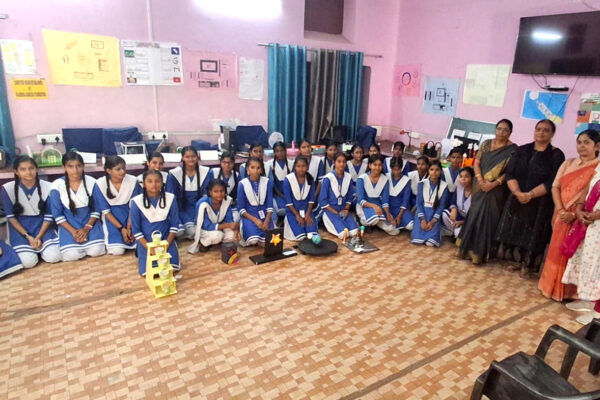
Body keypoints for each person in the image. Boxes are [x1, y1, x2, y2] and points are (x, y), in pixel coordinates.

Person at [495, 119, 565, 276]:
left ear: (552, 134)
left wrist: (530, 194)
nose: (541, 132)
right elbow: (510, 173)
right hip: (517, 197)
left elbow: (553, 181)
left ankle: (528, 265)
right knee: (516, 228)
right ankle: (515, 261)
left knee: (535, 233)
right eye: (538, 129)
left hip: (540, 201)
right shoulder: (522, 150)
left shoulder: (556, 155)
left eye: (546, 130)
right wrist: (518, 193)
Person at [538, 130, 600, 301]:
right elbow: (555, 186)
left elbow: (589, 194)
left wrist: (574, 214)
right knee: (555, 250)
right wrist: (561, 210)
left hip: (580, 218)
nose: (581, 146)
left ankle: (567, 292)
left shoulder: (597, 169)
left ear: (597, 146)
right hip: (560, 214)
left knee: (572, 252)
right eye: (579, 142)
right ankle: (549, 287)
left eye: (586, 142)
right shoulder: (568, 163)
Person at [457, 119, 518, 265]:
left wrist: (493, 184)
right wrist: (480, 179)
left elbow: (509, 172)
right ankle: (465, 249)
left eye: (505, 130)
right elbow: (477, 162)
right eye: (499, 129)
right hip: (479, 185)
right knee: (474, 215)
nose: (501, 132)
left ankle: (480, 254)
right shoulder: (486, 144)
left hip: (496, 189)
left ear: (510, 132)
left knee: (488, 219)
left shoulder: (513, 150)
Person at [1, 155, 60, 268]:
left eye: (31, 168)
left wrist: (38, 237)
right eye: (23, 169)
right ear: (16, 172)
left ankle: (40, 249)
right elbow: (11, 217)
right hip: (20, 230)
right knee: (28, 263)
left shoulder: (48, 186)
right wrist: (29, 237)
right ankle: (33, 250)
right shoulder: (7, 189)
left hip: (42, 227)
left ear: (36, 169)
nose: (28, 172)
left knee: (54, 257)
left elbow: (49, 216)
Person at [561, 162, 600, 324]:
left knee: (597, 267)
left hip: (597, 223)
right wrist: (579, 209)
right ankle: (589, 301)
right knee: (587, 262)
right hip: (589, 222)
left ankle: (597, 314)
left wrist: (595, 215)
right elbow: (588, 188)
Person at [49, 152, 105, 261]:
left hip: (89, 223)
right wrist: (74, 232)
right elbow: (57, 214)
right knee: (71, 255)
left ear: (83, 166)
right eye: (70, 166)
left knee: (96, 251)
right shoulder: (57, 185)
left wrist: (86, 229)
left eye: (78, 166)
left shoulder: (92, 182)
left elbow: (97, 209)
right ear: (64, 168)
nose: (75, 170)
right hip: (69, 225)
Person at [131, 170, 181, 275]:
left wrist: (166, 245)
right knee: (150, 273)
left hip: (166, 240)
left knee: (171, 270)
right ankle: (140, 251)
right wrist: (150, 248)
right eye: (150, 181)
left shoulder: (170, 198)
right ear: (144, 184)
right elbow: (136, 230)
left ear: (162, 183)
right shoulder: (136, 201)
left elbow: (174, 224)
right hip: (147, 242)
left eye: (157, 181)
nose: (154, 184)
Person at [93, 156, 141, 255]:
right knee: (117, 251)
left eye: (124, 168)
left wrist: (129, 227)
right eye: (118, 169)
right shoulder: (100, 184)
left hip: (131, 218)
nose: (122, 171)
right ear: (109, 171)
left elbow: (134, 207)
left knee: (140, 245)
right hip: (112, 221)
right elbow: (106, 212)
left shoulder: (133, 181)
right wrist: (121, 229)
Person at [166, 146, 210, 239]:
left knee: (200, 229)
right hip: (181, 209)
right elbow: (171, 197)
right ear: (182, 158)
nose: (191, 159)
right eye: (187, 157)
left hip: (199, 207)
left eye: (193, 156)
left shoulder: (205, 171)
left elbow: (207, 195)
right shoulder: (174, 173)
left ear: (197, 157)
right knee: (190, 232)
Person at [188, 179, 239, 253]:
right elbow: (206, 225)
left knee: (232, 235)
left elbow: (229, 219)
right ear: (210, 192)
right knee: (218, 236)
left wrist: (235, 229)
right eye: (216, 191)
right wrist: (227, 225)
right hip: (204, 229)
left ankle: (218, 241)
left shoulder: (227, 200)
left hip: (220, 226)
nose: (219, 194)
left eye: (222, 191)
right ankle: (204, 243)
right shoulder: (202, 203)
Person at [319, 152, 359, 239]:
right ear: (334, 162)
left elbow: (350, 197)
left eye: (344, 162)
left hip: (343, 210)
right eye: (339, 161)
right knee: (344, 234)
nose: (342, 164)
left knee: (355, 232)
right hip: (330, 210)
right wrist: (336, 213)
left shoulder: (348, 177)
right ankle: (326, 222)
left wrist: (346, 209)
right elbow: (322, 201)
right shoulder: (328, 178)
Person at [237, 157, 274, 246]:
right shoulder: (242, 184)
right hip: (250, 216)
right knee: (253, 240)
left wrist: (267, 220)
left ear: (261, 169)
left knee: (271, 240)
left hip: (264, 215)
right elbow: (241, 209)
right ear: (247, 169)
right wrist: (255, 220)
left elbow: (269, 205)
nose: (256, 171)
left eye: (258, 168)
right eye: (252, 167)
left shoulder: (267, 182)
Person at [411, 160, 448, 247]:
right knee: (417, 242)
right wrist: (423, 220)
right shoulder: (422, 184)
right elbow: (419, 203)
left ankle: (437, 230)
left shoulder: (444, 186)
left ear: (440, 171)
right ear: (428, 170)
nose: (434, 172)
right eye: (431, 169)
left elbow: (441, 206)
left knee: (430, 243)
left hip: (434, 215)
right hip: (422, 214)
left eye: (437, 170)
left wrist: (432, 222)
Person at [356, 155, 395, 234]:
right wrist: (375, 207)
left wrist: (388, 215)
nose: (377, 168)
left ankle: (375, 223)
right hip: (364, 205)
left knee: (393, 229)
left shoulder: (385, 179)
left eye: (379, 165)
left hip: (378, 206)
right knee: (375, 219)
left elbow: (385, 201)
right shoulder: (362, 178)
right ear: (370, 165)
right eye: (375, 165)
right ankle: (361, 220)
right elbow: (360, 200)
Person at [283, 156, 318, 241]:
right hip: (293, 212)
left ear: (307, 167)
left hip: (306, 211)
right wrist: (297, 215)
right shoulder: (288, 179)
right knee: (300, 237)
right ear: (295, 167)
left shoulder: (310, 179)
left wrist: (308, 214)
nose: (301, 169)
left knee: (312, 235)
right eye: (298, 166)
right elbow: (288, 202)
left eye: (303, 166)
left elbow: (311, 199)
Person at [442, 167, 474, 239]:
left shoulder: (475, 193)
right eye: (461, 176)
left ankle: (457, 233)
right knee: (444, 214)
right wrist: (454, 209)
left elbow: (475, 215)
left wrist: (461, 222)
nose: (463, 179)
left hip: (469, 221)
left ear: (472, 178)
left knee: (459, 233)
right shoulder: (459, 188)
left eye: (467, 176)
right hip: (459, 215)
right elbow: (453, 201)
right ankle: (455, 232)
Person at [265, 141, 293, 220]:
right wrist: (281, 195)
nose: (280, 153)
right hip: (276, 195)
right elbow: (271, 184)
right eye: (277, 151)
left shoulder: (291, 163)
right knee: (280, 210)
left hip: (289, 194)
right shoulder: (269, 164)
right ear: (274, 153)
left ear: (285, 151)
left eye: (281, 150)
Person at [387, 156, 414, 234]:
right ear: (391, 168)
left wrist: (399, 216)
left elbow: (405, 200)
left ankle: (402, 223)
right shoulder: (386, 177)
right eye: (394, 169)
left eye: (398, 169)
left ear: (401, 168)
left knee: (411, 226)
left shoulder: (406, 180)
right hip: (388, 208)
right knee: (394, 230)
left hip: (401, 209)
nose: (396, 172)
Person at [210, 151, 239, 221]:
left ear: (233, 163)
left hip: (231, 206)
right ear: (220, 162)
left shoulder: (237, 175)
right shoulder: (213, 172)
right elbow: (208, 190)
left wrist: (234, 201)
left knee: (235, 219)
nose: (227, 165)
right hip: (215, 204)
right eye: (224, 162)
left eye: (230, 162)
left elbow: (238, 195)